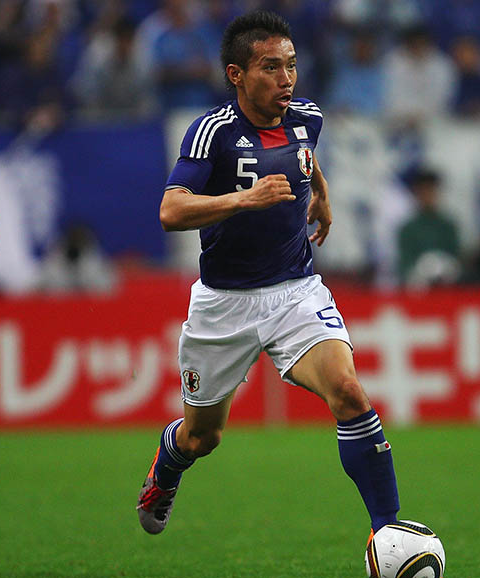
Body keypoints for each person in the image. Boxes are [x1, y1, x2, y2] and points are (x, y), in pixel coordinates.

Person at [136, 11, 400, 550]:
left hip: (295, 291)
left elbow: (305, 158)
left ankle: (388, 531)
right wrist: (244, 199)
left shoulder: (308, 118)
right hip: (222, 305)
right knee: (203, 437)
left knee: (349, 392)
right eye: (271, 67)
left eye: (292, 65)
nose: (287, 78)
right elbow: (170, 210)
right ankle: (168, 465)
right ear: (237, 74)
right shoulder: (212, 132)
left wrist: (320, 193)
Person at [397, 167, 461, 287]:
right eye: (423, 191)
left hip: (448, 285)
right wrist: (420, 271)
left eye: (431, 190)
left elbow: (457, 258)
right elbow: (404, 264)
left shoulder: (448, 226)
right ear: (416, 194)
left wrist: (445, 268)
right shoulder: (408, 229)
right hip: (417, 287)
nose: (427, 195)